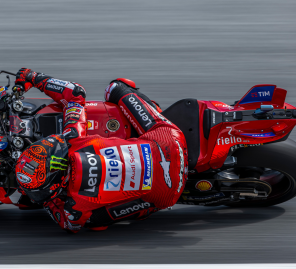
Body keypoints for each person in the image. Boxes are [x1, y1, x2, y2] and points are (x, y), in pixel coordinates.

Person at [14, 68, 188, 233]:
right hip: (170, 143)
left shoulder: (75, 206)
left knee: (95, 222)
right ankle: (156, 111)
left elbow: (70, 226)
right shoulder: (73, 137)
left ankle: (149, 208)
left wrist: (47, 201)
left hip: (167, 193)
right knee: (115, 87)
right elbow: (76, 93)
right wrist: (33, 77)